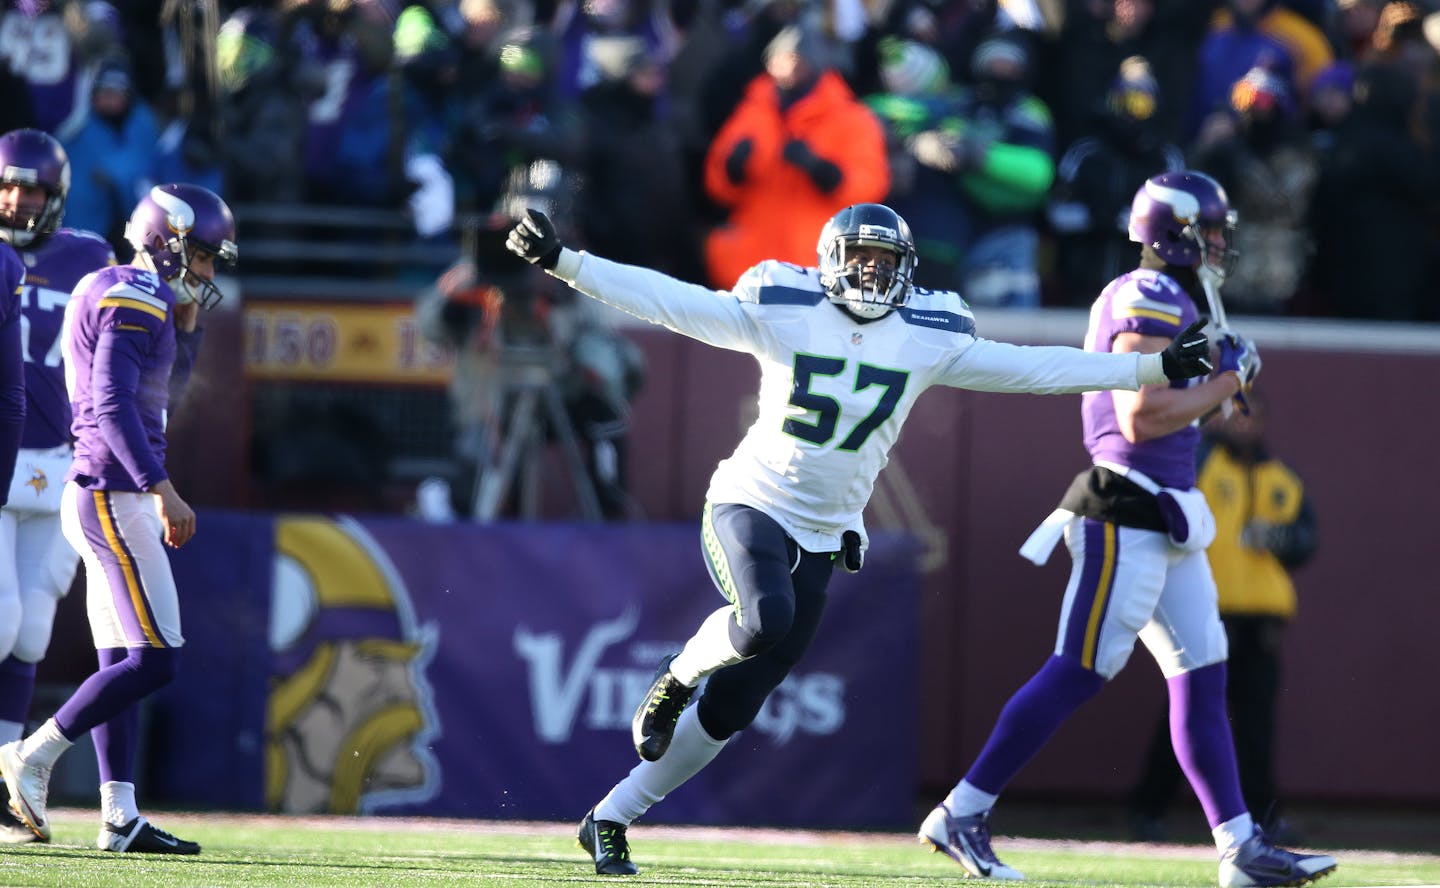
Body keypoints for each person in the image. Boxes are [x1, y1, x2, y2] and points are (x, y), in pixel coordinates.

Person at [504, 201, 1216, 876]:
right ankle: (677, 676)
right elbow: (672, 301)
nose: (872, 275)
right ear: (829, 262)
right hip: (750, 500)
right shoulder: (785, 308)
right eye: (861, 259)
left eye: (885, 262)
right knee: (762, 621)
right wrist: (567, 262)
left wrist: (1151, 367)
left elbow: (1037, 369)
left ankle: (612, 816)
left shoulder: (926, 335)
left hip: (823, 531)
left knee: (738, 704)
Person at [917, 171, 1336, 888]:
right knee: (1078, 669)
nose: (1219, 242)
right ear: (1175, 232)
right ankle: (962, 810)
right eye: (1210, 229)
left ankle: (1240, 848)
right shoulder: (1146, 295)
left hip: (1168, 513)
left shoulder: (1177, 295)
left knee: (1203, 675)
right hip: (1125, 511)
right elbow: (1143, 417)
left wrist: (1215, 384)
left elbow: (1176, 409)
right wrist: (1227, 382)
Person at [0, 182, 237, 855]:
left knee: (121, 658)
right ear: (168, 241)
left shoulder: (131, 291)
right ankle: (30, 756)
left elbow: (158, 395)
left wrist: (186, 331)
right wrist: (160, 488)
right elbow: (112, 404)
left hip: (100, 488)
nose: (210, 272)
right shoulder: (134, 293)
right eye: (206, 255)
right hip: (113, 493)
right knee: (156, 659)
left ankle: (118, 816)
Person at [1129, 392, 1317, 844]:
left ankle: (1263, 818)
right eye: (1237, 411)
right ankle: (1148, 809)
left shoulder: (1281, 477)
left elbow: (1307, 539)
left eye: (1254, 412)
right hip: (1209, 609)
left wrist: (1281, 537)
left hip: (1262, 623)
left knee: (1256, 728)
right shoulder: (1202, 460)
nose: (1245, 422)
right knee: (1190, 712)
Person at [0, 129, 117, 845]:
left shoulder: (88, 256)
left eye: (32, 189)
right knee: (1, 619)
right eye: (8, 185)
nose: (17, 200)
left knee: (32, 629)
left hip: (54, 458)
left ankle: (5, 779)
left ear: (56, 196)